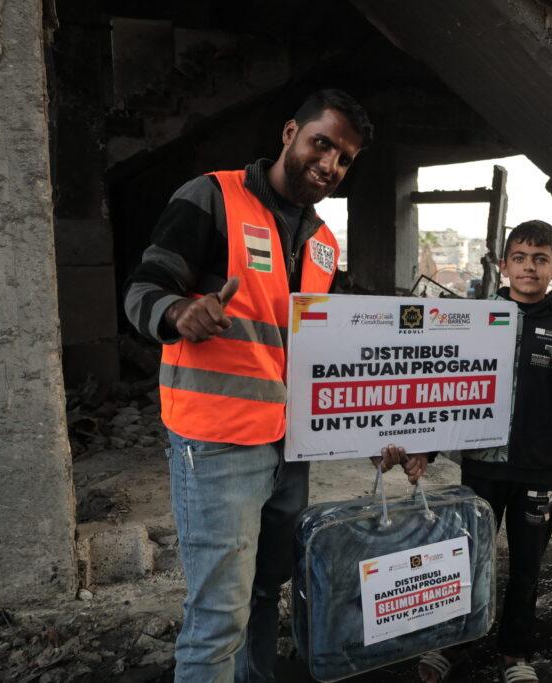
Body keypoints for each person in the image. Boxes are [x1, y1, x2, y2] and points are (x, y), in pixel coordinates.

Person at [124, 88, 427, 682]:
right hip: (218, 447)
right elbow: (142, 290)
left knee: (266, 594)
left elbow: (328, 357)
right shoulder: (212, 197)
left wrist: (376, 430)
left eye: (344, 159)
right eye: (322, 143)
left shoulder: (323, 243)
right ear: (291, 133)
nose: (330, 164)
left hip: (291, 450)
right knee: (217, 621)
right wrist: (178, 312)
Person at [417, 220, 552, 683]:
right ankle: (456, 645)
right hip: (482, 468)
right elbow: (449, 392)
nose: (528, 267)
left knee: (525, 568)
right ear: (503, 265)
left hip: (538, 469)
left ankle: (514, 654)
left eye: (540, 260)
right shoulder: (476, 318)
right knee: (468, 559)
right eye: (519, 258)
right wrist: (427, 450)